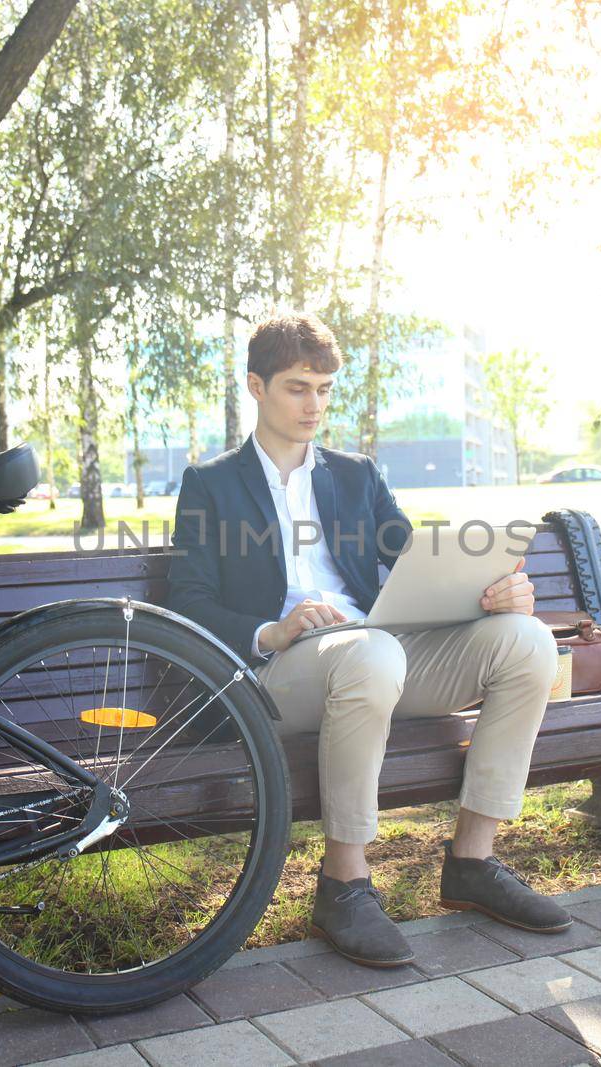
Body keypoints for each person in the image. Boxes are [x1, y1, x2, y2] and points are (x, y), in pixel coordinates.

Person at [166, 311, 571, 968]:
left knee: (525, 642)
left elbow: (418, 563)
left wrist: (495, 593)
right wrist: (275, 628)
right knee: (372, 652)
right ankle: (344, 883)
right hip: (276, 675)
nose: (315, 404)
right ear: (256, 386)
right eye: (299, 387)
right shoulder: (210, 485)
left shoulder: (355, 475)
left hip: (372, 655)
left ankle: (472, 861)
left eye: (325, 389)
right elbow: (186, 603)